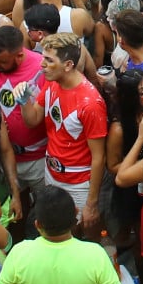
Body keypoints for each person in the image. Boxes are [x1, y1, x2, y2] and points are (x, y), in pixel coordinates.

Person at [16, 33, 109, 230]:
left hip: (79, 184)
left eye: (49, 60)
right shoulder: (51, 82)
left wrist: (91, 203)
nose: (42, 65)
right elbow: (33, 121)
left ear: (67, 65)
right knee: (55, 231)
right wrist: (25, 103)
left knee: (82, 231)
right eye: (43, 57)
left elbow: (99, 157)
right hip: (52, 174)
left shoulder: (91, 103)